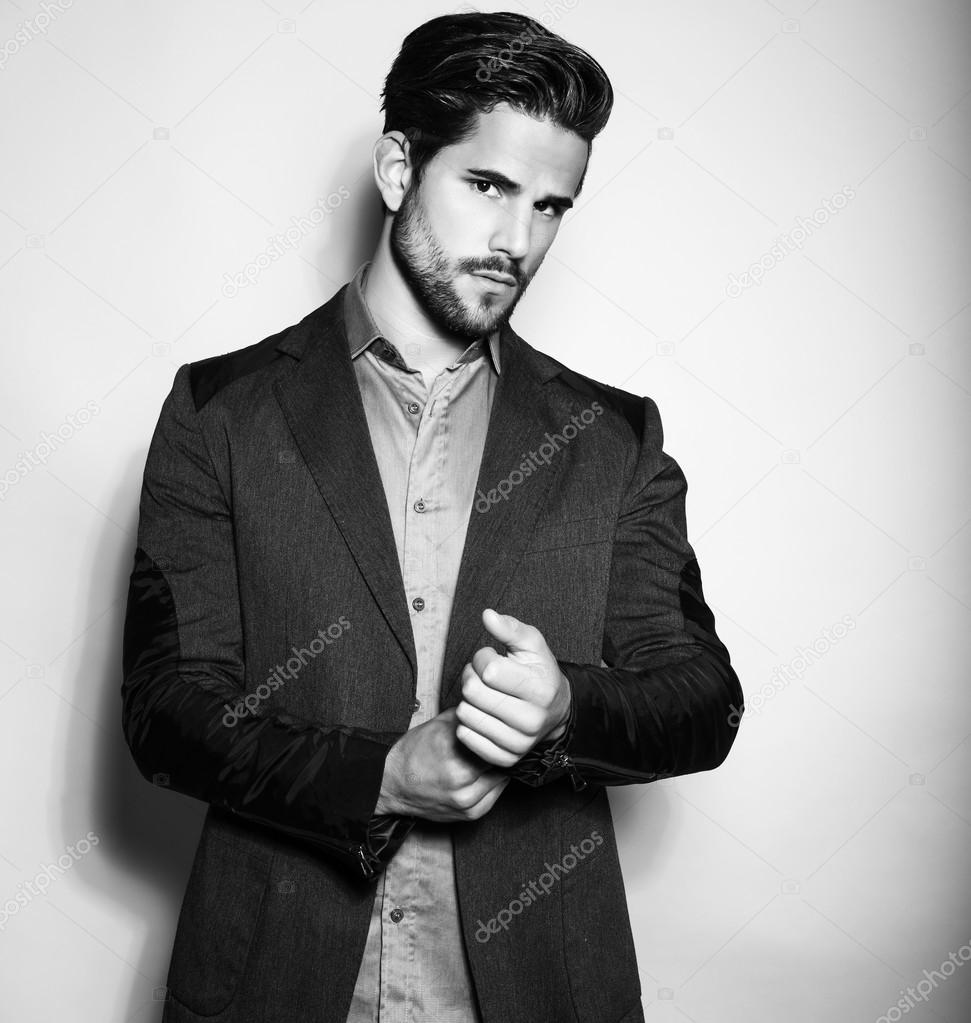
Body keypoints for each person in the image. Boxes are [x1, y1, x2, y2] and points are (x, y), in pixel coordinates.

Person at [121, 11, 743, 1023]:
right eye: (487, 186)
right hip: (274, 983)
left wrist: (563, 715)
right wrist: (380, 777)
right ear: (399, 167)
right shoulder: (218, 411)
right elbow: (166, 713)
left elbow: (701, 699)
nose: (516, 241)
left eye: (550, 206)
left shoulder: (610, 436)